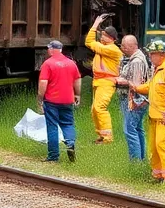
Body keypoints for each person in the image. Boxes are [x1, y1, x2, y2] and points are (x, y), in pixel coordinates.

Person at [130, 39, 165, 184]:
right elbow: (151, 87)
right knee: (154, 146)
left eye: (151, 54)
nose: (149, 57)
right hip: (156, 116)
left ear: (161, 54)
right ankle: (158, 176)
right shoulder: (159, 69)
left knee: (163, 144)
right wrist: (136, 87)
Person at [37, 40, 80, 163]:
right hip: (67, 100)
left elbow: (43, 83)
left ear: (51, 49)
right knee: (68, 124)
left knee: (52, 127)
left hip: (52, 101)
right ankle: (70, 144)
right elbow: (77, 79)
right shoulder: (71, 63)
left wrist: (40, 98)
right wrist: (77, 94)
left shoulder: (48, 63)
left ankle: (53, 156)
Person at [85, 14, 123, 144]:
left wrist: (95, 25)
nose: (101, 36)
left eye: (103, 35)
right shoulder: (105, 47)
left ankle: (107, 138)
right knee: (95, 109)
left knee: (99, 108)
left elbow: (89, 42)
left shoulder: (112, 50)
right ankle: (101, 135)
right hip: (99, 82)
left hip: (106, 82)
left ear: (110, 38)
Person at [114, 34, 149, 162]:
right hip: (138, 100)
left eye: (123, 46)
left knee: (129, 129)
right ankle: (141, 159)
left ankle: (135, 162)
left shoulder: (137, 61)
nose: (121, 48)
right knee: (138, 129)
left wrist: (121, 81)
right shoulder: (132, 59)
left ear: (131, 46)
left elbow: (136, 85)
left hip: (134, 101)